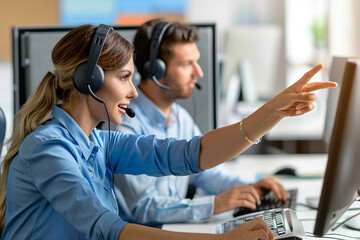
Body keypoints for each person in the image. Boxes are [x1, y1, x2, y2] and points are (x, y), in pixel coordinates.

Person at [0, 23, 336, 240]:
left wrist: (272, 111)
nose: (133, 92)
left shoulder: (99, 143)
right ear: (91, 82)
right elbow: (106, 228)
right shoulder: (47, 149)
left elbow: (189, 155)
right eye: (124, 77)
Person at [112, 18, 290, 226]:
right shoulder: (124, 124)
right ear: (156, 70)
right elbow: (143, 208)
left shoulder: (179, 117)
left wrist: (250, 187)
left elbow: (206, 173)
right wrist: (214, 204)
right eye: (187, 64)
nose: (199, 72)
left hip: (176, 229)